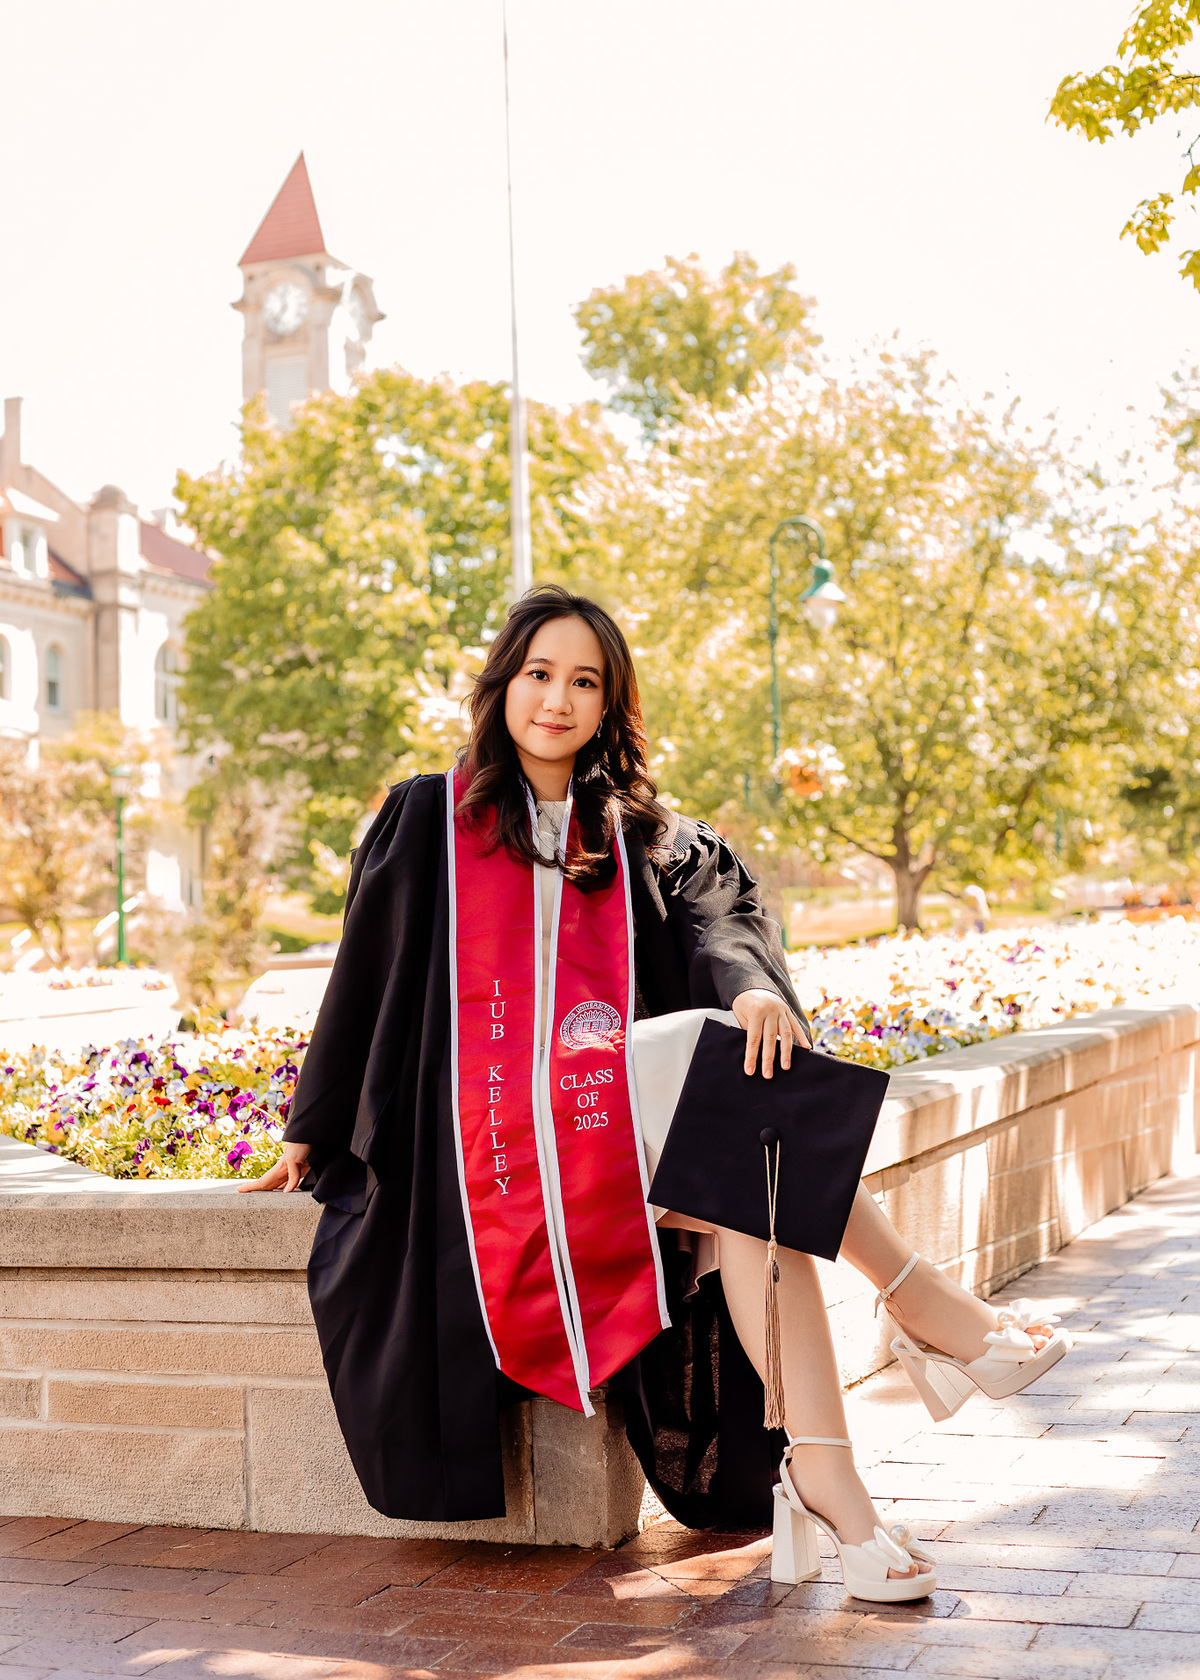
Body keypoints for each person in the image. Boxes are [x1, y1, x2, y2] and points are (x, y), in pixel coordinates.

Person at [242, 585, 1068, 1603]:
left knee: (750, 1186)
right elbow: (362, 974)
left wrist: (755, 988)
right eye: (539, 673)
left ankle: (834, 1483)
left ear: (609, 703)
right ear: (503, 684)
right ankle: (929, 1317)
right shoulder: (431, 817)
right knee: (727, 1109)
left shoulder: (641, 835)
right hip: (488, 1149)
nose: (558, 699)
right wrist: (312, 1128)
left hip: (608, 1136)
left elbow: (720, 926)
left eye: (584, 681)